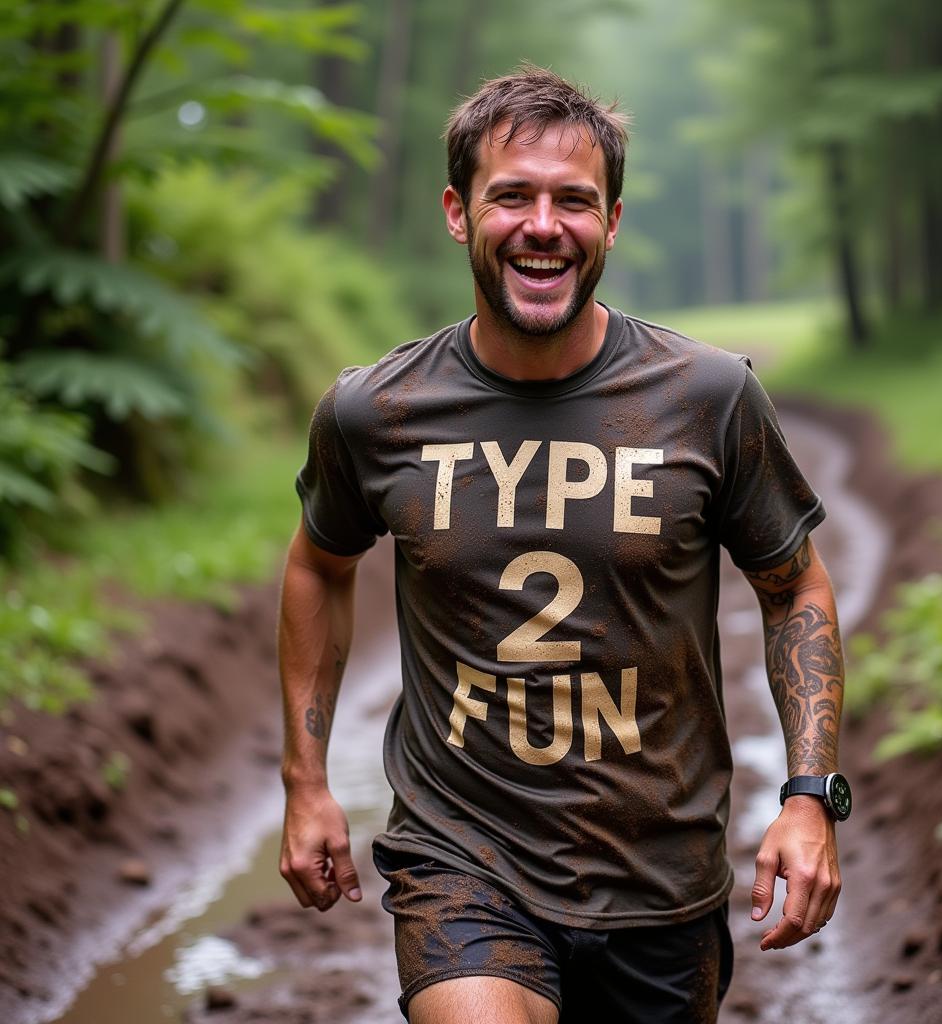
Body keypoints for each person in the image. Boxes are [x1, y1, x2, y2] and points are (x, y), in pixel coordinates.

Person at [277, 65, 847, 1024]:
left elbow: (796, 589)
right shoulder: (376, 411)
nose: (544, 225)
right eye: (513, 196)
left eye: (573, 201)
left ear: (612, 221)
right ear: (460, 213)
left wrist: (809, 796)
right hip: (462, 859)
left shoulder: (708, 399)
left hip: (661, 876)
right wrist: (305, 783)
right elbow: (317, 564)